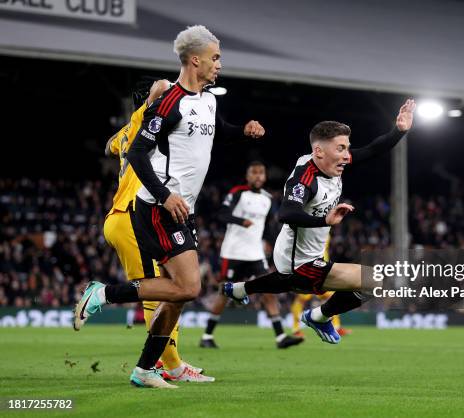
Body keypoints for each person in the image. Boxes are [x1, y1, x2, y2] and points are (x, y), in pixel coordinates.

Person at [74, 25, 265, 388]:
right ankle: (103, 294)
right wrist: (164, 194)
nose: (219, 65)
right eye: (215, 58)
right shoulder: (168, 103)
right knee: (188, 288)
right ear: (195, 60)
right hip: (157, 208)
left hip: (182, 209)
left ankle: (146, 369)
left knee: (179, 292)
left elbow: (217, 128)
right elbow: (137, 153)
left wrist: (244, 130)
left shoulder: (208, 99)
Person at [222, 99, 416, 344]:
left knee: (286, 282)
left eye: (347, 148)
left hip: (301, 256)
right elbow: (286, 213)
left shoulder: (328, 164)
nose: (347, 156)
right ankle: (319, 316)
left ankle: (239, 289)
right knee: (374, 281)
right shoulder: (305, 179)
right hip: (300, 262)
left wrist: (399, 130)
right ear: (319, 152)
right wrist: (324, 219)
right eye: (341, 149)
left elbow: (372, 150)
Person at [103, 78, 212, 383]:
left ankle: (169, 364)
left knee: (172, 288)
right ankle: (169, 365)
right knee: (162, 291)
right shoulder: (153, 118)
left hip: (125, 213)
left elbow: (110, 145)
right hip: (133, 213)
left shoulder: (132, 127)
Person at [200, 162, 303, 349]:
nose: (257, 176)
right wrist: (240, 221)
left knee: (268, 290)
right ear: (247, 176)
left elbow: (270, 225)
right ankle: (207, 336)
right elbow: (221, 214)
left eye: (261, 173)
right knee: (224, 292)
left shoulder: (268, 199)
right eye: (254, 173)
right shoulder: (237, 193)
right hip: (233, 252)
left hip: (255, 253)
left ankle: (280, 337)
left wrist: (271, 243)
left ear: (264, 176)